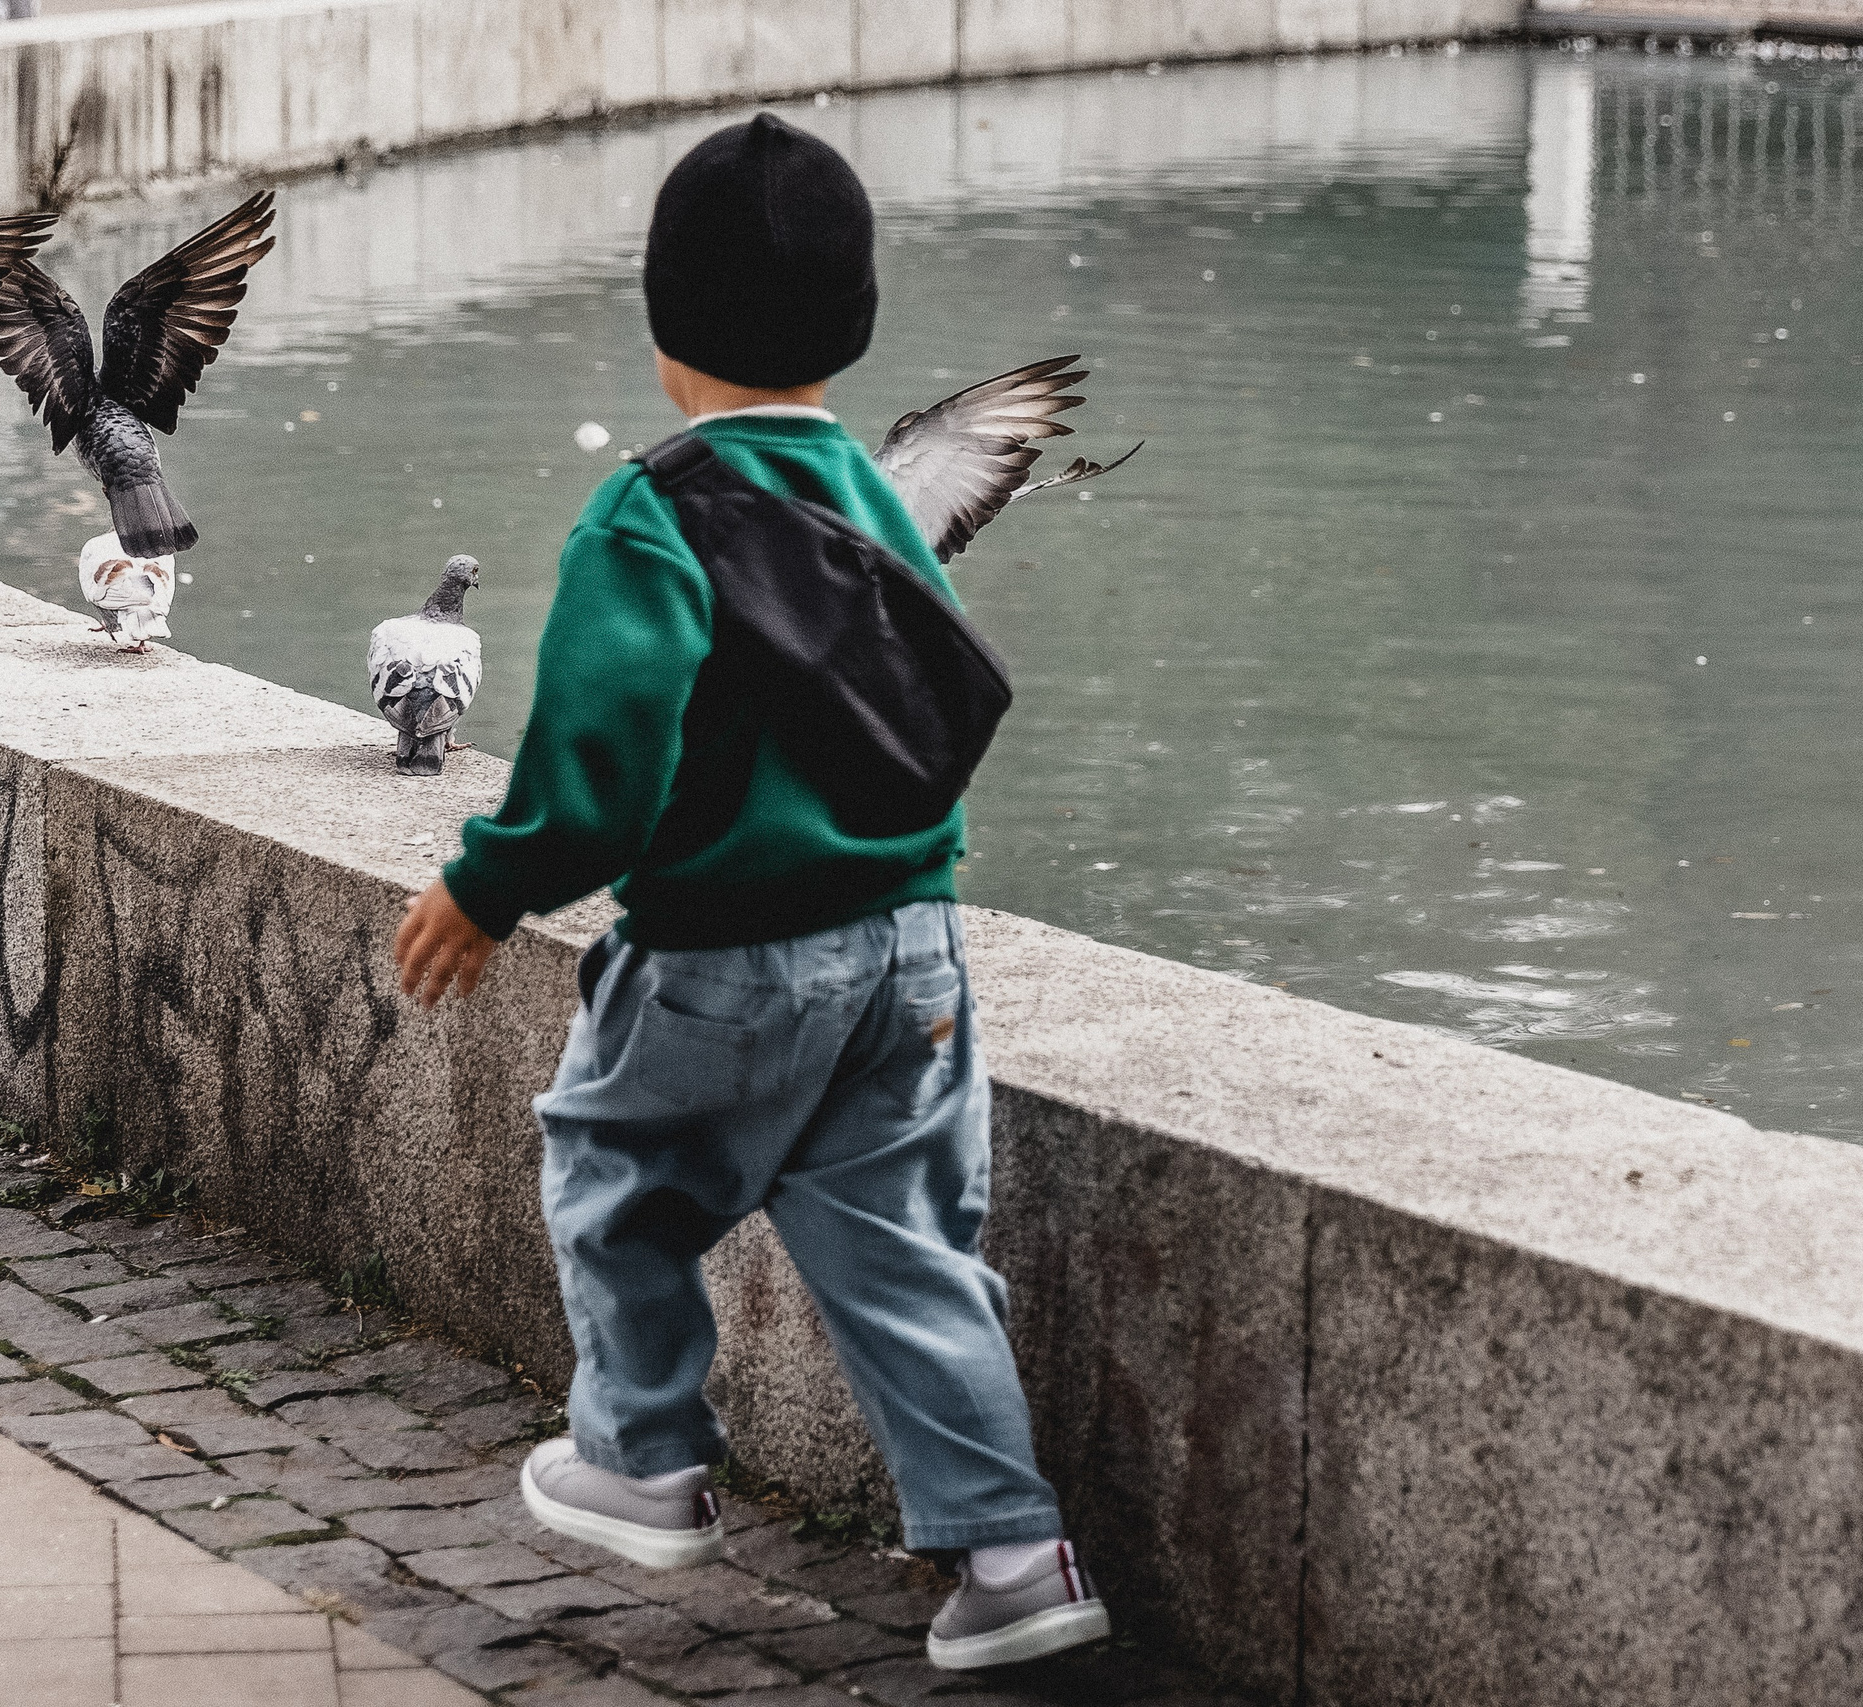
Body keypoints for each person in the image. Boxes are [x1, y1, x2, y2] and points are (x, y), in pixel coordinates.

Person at [391, 111, 1111, 1671]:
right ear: (854, 326)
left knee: (613, 1170)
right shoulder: (874, 492)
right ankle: (1012, 1555)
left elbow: (599, 766)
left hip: (727, 953)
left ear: (666, 334)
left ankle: (643, 1456)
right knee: (906, 1253)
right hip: (913, 950)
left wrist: (487, 885)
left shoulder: (651, 509)